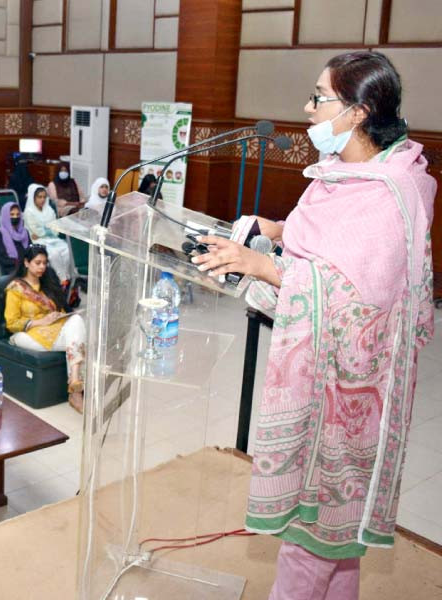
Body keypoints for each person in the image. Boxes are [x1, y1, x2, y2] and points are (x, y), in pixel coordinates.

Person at [190, 51, 436, 600]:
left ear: (357, 112)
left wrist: (261, 265)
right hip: (328, 377)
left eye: (318, 97)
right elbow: (326, 245)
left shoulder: (388, 193)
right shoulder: (347, 174)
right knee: (335, 544)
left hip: (346, 395)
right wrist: (275, 230)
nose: (306, 107)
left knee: (311, 539)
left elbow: (357, 298)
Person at [4, 245, 86, 412]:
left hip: (53, 329)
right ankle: (77, 391)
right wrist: (40, 322)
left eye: (44, 263)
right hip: (26, 334)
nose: (42, 267)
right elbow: (11, 322)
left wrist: (57, 315)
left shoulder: (48, 283)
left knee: (76, 319)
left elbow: (60, 308)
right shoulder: (16, 288)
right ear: (26, 263)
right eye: (37, 263)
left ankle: (74, 384)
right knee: (78, 343)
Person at [23, 184, 71, 284]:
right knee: (54, 254)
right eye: (39, 197)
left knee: (67, 250)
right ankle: (61, 279)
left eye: (44, 197)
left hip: (53, 238)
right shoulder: (28, 212)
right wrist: (47, 229)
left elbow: (55, 228)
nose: (42, 199)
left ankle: (67, 276)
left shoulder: (50, 210)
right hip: (38, 241)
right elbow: (35, 231)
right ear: (33, 198)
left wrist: (46, 229)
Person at [0, 201, 30, 275]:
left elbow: (30, 250)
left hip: (28, 266)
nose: (15, 217)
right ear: (5, 216)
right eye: (12, 214)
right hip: (12, 270)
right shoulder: (0, 234)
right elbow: (3, 258)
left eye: (18, 214)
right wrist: (20, 263)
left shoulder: (25, 232)